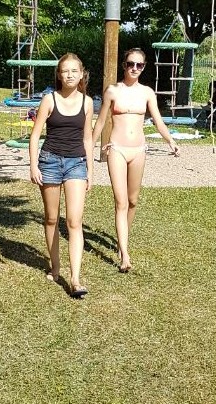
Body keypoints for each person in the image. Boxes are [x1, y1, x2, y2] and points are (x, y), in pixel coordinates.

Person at [92, 47, 179, 273]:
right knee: (120, 202)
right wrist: (89, 145)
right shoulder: (112, 91)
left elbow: (158, 120)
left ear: (144, 67)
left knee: (132, 201)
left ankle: (123, 240)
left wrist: (170, 140)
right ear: (124, 65)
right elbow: (100, 122)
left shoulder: (147, 92)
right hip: (117, 149)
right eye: (131, 64)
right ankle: (125, 254)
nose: (134, 68)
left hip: (139, 150)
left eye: (139, 65)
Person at [29, 53, 93, 298]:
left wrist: (90, 171)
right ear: (59, 74)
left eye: (74, 71)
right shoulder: (49, 99)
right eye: (65, 71)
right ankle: (55, 267)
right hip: (50, 162)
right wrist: (33, 166)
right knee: (51, 218)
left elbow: (87, 139)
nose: (70, 75)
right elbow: (35, 135)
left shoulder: (87, 102)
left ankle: (75, 279)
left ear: (81, 74)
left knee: (74, 221)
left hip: (77, 163)